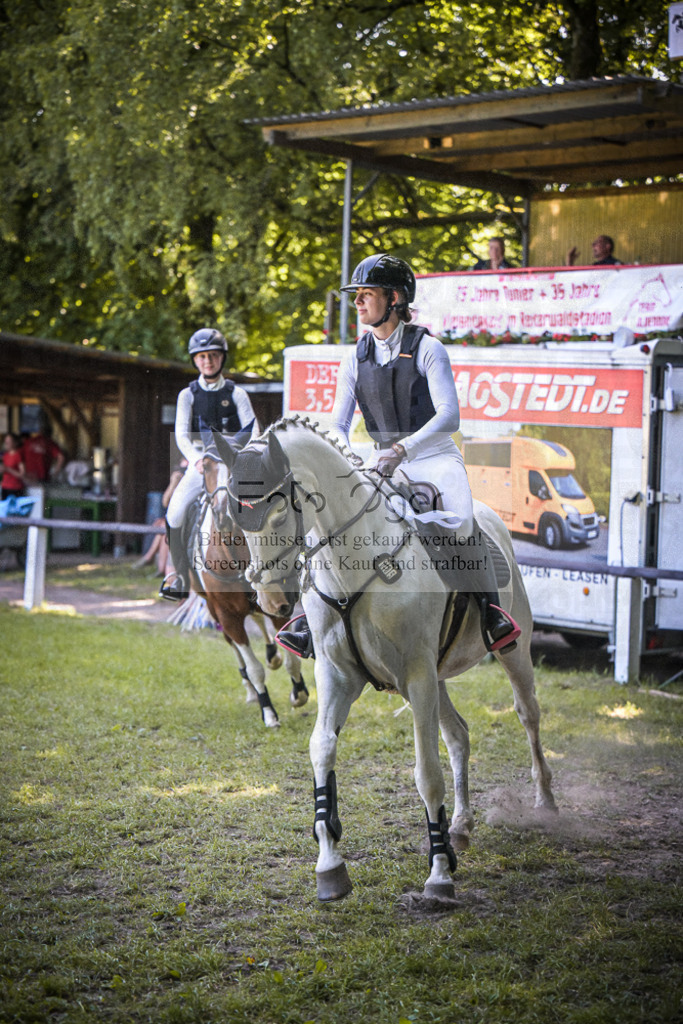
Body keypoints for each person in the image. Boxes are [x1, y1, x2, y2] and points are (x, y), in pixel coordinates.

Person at [276, 252, 520, 658]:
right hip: (378, 458)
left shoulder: (428, 348)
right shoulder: (354, 356)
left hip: (434, 457)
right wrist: (342, 454)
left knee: (460, 521)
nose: (356, 302)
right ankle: (307, 617)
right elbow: (337, 422)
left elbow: (449, 415)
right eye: (355, 295)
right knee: (325, 518)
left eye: (365, 294)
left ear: (393, 298)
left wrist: (403, 449)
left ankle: (490, 611)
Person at [160, 329, 256, 601]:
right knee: (175, 511)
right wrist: (196, 459)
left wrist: (241, 458)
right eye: (202, 357)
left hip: (234, 463)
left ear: (221, 358)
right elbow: (181, 433)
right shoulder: (187, 395)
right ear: (195, 360)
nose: (208, 361)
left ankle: (271, 570)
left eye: (213, 356)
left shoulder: (237, 393)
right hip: (203, 463)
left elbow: (254, 429)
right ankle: (178, 576)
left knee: (260, 508)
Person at [1, 433, 26, 499]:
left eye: (9, 441)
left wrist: (8, 469)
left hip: (15, 487)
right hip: (5, 486)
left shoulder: (18, 455)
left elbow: (22, 474)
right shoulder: (5, 455)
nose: (7, 443)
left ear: (15, 443)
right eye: (6, 441)